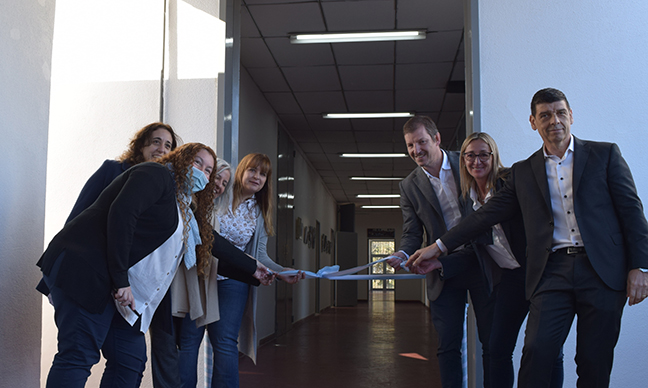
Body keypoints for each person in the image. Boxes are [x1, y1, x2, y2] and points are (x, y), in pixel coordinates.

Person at [408, 88, 648, 388]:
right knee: (537, 349)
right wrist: (438, 246)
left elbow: (632, 212)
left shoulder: (605, 154)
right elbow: (483, 216)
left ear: (571, 116)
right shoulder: (523, 172)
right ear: (533, 122)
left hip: (602, 272)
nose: (554, 121)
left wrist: (640, 266)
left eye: (560, 113)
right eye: (545, 115)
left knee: (593, 360)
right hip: (552, 273)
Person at [37, 143, 219, 387]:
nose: (202, 173)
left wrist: (255, 268)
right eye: (197, 162)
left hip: (117, 290)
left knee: (129, 360)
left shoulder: (182, 207)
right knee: (78, 356)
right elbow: (123, 214)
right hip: (88, 272)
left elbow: (213, 244)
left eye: (208, 170)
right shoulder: (156, 174)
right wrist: (121, 280)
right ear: (181, 158)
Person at [428, 132, 563, 388]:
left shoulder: (511, 180)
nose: (476, 161)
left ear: (493, 156)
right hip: (510, 278)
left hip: (541, 274)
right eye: (470, 155)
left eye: (483, 154)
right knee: (496, 349)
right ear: (463, 160)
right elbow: (474, 249)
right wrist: (440, 263)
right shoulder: (467, 201)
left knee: (547, 350)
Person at [385, 116, 494, 388]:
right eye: (410, 145)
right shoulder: (408, 186)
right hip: (442, 270)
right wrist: (401, 253)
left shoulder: (468, 161)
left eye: (421, 142)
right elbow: (412, 232)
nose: (416, 150)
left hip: (482, 262)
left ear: (437, 138)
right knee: (447, 346)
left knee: (493, 342)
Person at [178, 153, 304, 388]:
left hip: (232, 281)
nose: (257, 177)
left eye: (263, 174)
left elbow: (259, 256)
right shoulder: (219, 192)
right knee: (189, 341)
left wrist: (280, 271)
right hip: (200, 276)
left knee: (225, 343)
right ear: (241, 172)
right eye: (252, 170)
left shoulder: (260, 211)